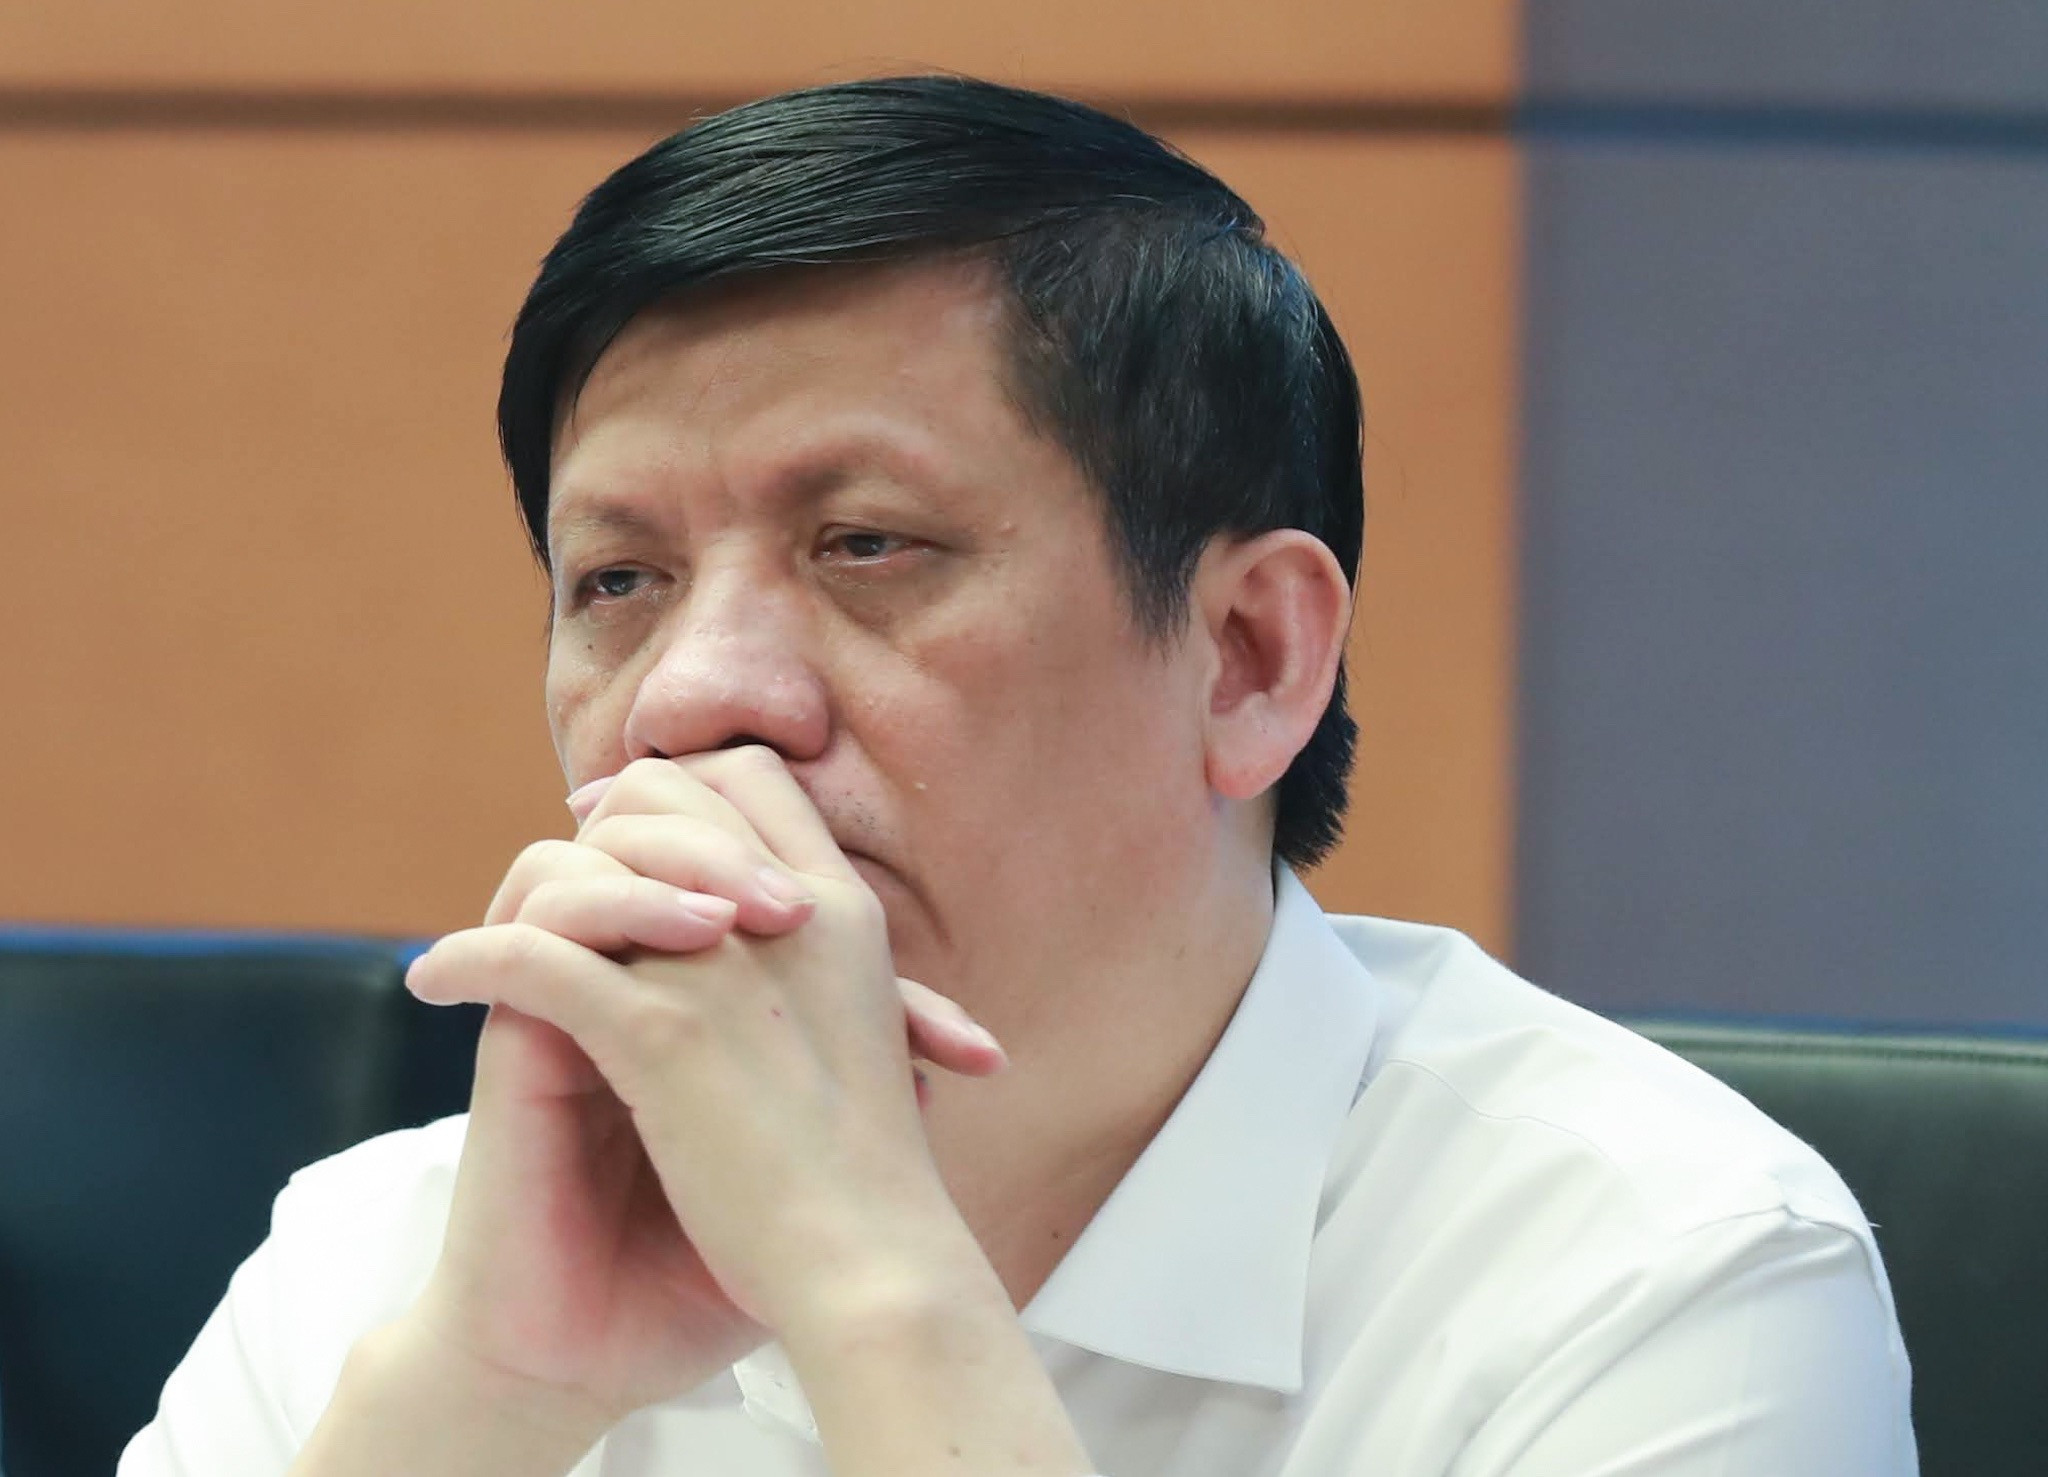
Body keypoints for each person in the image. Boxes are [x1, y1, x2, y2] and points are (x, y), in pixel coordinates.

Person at [119, 76, 1916, 1477]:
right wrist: (492, 1392)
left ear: (1249, 657)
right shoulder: (399, 1262)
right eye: (618, 581)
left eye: (868, 543)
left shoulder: (1660, 1279)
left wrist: (872, 1280)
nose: (693, 697)